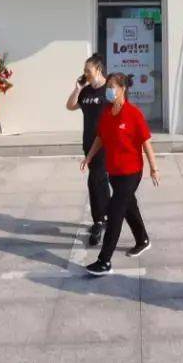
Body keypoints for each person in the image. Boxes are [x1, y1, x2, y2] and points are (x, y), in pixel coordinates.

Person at [80, 73, 161, 276]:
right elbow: (100, 137)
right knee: (129, 206)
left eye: (112, 87)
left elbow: (146, 142)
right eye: (108, 86)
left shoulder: (133, 114)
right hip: (114, 172)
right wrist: (89, 157)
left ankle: (104, 261)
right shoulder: (107, 113)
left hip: (131, 172)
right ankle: (142, 239)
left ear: (123, 89)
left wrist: (154, 168)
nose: (109, 90)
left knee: (115, 212)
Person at [65, 53, 110, 247]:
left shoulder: (109, 89)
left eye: (88, 71)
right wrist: (77, 88)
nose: (85, 74)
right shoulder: (86, 91)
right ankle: (106, 215)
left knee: (95, 180)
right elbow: (70, 106)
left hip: (106, 144)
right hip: (89, 143)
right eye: (84, 71)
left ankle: (99, 221)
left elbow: (121, 109)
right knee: (100, 180)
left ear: (98, 69)